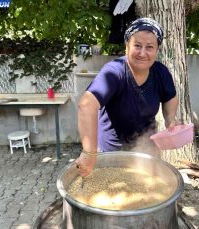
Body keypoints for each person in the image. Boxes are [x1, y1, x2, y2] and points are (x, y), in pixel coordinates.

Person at [76, 18, 179, 177]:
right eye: (137, 45)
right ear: (127, 47)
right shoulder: (114, 71)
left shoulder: (161, 72)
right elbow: (87, 105)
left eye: (150, 47)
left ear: (157, 50)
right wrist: (89, 153)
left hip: (146, 149)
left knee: (148, 193)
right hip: (111, 153)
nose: (142, 53)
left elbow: (170, 97)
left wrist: (170, 119)